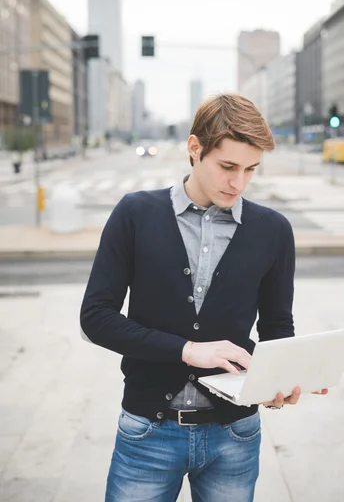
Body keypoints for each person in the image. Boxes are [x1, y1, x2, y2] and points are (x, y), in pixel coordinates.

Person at [80, 93, 327, 502]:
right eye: (228, 166)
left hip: (235, 435)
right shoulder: (135, 214)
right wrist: (187, 350)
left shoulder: (274, 230)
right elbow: (96, 317)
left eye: (251, 169)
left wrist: (282, 378)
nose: (239, 182)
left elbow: (278, 325)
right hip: (147, 432)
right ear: (194, 149)